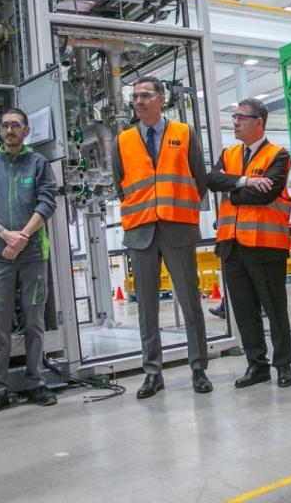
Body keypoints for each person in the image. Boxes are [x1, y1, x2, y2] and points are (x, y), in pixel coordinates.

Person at [111, 76, 212, 399]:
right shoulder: (123, 140)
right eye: (135, 97)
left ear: (161, 99)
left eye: (145, 96)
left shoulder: (184, 133)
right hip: (140, 231)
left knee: (190, 301)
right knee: (147, 308)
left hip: (177, 227)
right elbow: (120, 184)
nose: (138, 102)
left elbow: (199, 178)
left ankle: (198, 368)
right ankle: (152, 372)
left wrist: (175, 207)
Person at [0, 108, 58, 417]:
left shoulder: (38, 164)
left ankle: (36, 382)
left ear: (26, 131)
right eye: (5, 125)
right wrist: (5, 235)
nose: (9, 130)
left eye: (16, 125)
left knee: (34, 323)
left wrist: (21, 236)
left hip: (33, 254)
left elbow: (47, 201)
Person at [207, 98, 291, 388]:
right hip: (231, 245)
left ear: (259, 122)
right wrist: (244, 181)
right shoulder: (229, 153)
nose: (235, 123)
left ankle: (283, 365)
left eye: (241, 118)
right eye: (234, 117)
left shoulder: (278, 155)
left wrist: (232, 193)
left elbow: (266, 195)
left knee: (274, 309)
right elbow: (212, 179)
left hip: (265, 245)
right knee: (244, 311)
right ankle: (257, 366)